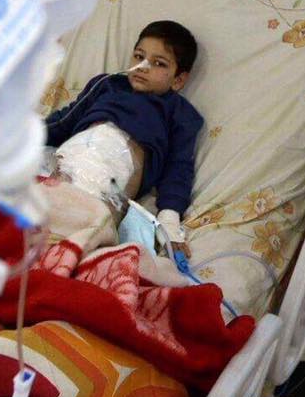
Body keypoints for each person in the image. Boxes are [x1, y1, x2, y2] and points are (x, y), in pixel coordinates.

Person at [44, 20, 203, 256]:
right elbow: (64, 122)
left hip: (112, 186)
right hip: (72, 162)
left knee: (86, 232)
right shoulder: (106, 85)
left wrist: (169, 220)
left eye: (158, 63)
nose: (142, 66)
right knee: (43, 210)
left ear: (178, 80)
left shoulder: (180, 114)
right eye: (139, 56)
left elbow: (178, 169)